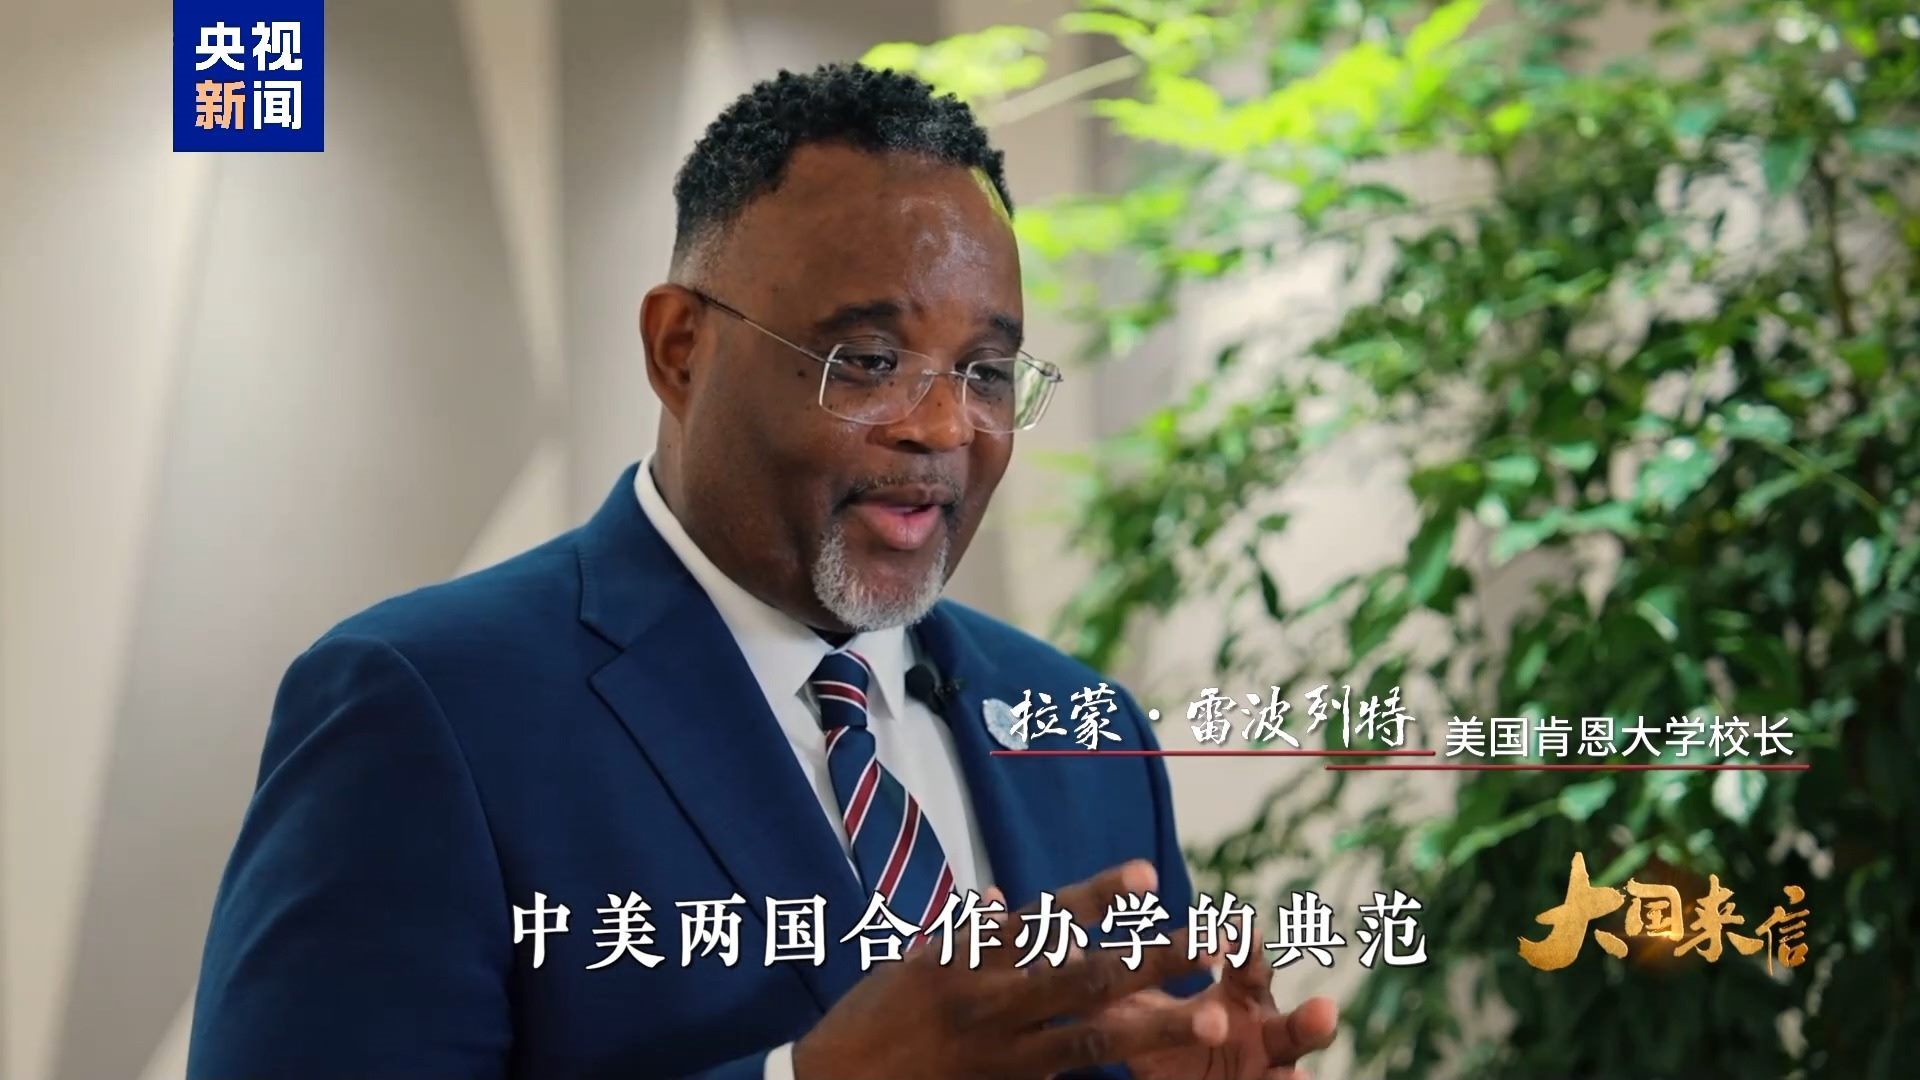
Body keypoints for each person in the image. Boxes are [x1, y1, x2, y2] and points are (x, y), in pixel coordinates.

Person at [187, 63, 1337, 1080]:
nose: (943, 426)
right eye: (870, 359)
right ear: (679, 349)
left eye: (987, 372)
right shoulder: (424, 706)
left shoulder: (1087, 732)